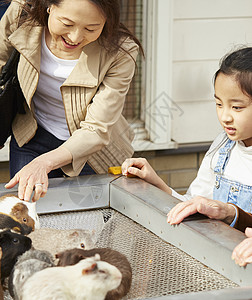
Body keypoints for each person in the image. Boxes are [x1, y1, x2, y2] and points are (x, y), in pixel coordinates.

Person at [0, 0, 143, 202]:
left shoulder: (120, 51)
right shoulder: (22, 13)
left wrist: (45, 163)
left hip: (93, 153)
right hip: (31, 136)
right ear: (49, 6)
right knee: (32, 216)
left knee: (89, 227)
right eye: (67, 24)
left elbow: (97, 128)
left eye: (91, 28)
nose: (75, 37)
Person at [122, 46, 252, 235]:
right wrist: (156, 183)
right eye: (219, 104)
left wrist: (230, 213)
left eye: (237, 107)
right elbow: (193, 204)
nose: (225, 117)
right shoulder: (223, 145)